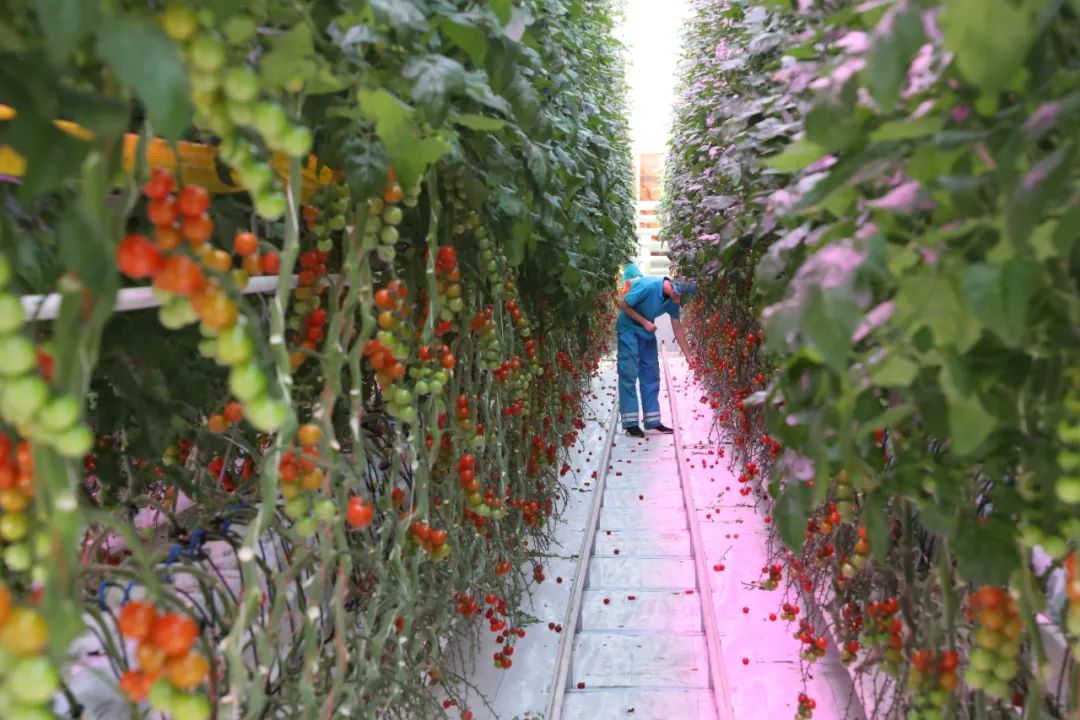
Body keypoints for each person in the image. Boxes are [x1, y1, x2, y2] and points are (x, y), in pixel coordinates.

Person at [615, 265, 696, 437]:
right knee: (629, 373)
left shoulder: (672, 300)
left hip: (646, 332)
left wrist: (689, 355)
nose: (678, 300)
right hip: (628, 329)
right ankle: (631, 424)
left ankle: (653, 421)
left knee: (651, 373)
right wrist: (644, 321)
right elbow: (622, 304)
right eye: (678, 295)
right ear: (671, 287)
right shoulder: (649, 285)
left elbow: (677, 327)